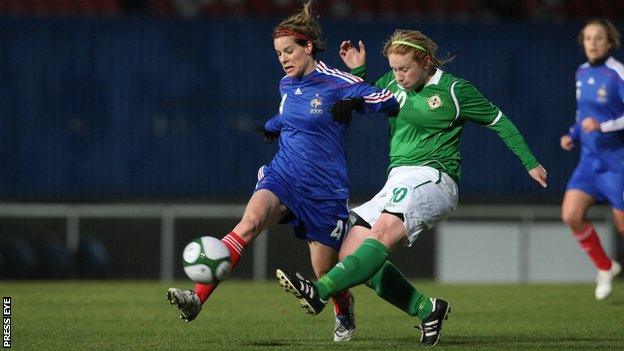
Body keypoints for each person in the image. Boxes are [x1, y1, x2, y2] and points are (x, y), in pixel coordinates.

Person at [276, 29, 548, 346]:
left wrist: (529, 162)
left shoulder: (454, 90)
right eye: (393, 68)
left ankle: (318, 292)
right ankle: (426, 309)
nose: (398, 76)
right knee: (350, 253)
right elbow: (364, 101)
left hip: (435, 177)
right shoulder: (393, 85)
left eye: (404, 68)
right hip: (398, 179)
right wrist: (359, 73)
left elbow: (499, 120)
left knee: (379, 237)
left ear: (426, 61)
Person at [165, 1, 399, 343]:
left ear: (308, 46)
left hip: (324, 191)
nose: (284, 58)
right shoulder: (286, 85)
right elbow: (291, 114)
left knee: (324, 271)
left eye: (289, 50)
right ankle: (196, 298)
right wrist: (273, 125)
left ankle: (344, 309)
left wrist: (359, 100)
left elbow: (388, 99)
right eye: (278, 53)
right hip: (284, 175)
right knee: (248, 224)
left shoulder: (338, 82)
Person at [560, 18, 623, 301]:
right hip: (589, 162)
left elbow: (605, 120)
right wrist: (572, 134)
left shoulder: (617, 74)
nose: (593, 43)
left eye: (599, 38)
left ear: (609, 42)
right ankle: (605, 267)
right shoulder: (581, 72)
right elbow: (581, 114)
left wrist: (603, 126)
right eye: (588, 38)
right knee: (571, 215)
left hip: (616, 163)